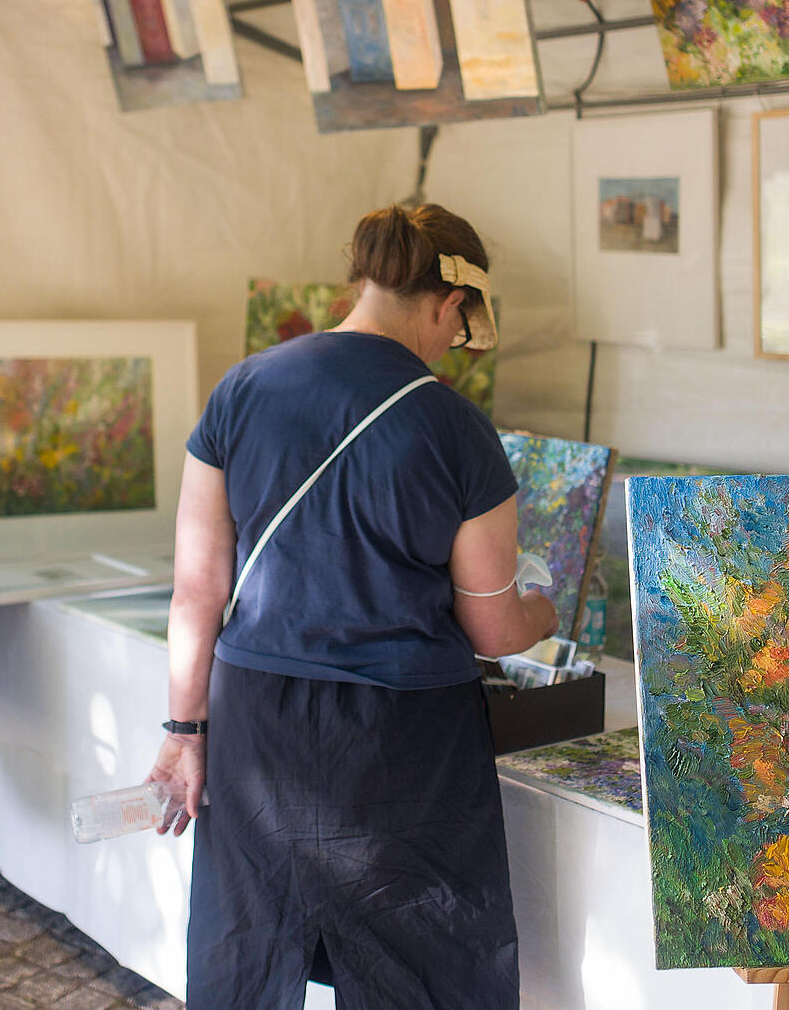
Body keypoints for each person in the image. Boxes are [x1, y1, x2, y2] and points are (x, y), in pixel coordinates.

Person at [146, 203, 558, 1009]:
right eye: (458, 331)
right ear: (449, 304)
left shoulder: (242, 390)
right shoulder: (458, 429)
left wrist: (184, 733)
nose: (454, 351)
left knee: (251, 956)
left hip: (260, 720)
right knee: (423, 968)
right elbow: (492, 627)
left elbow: (198, 589)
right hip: (406, 743)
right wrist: (545, 607)